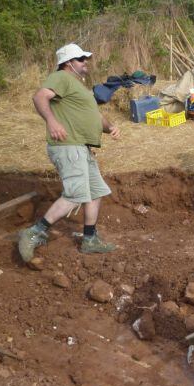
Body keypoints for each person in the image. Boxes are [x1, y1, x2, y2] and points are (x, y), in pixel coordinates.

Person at [18, 43, 120, 262]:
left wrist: (110, 126)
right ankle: (34, 232)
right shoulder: (61, 77)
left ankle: (90, 239)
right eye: (81, 59)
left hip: (82, 147)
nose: (86, 63)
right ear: (69, 63)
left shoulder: (79, 87)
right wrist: (52, 121)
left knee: (95, 191)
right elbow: (39, 97)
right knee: (75, 195)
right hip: (68, 145)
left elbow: (94, 115)